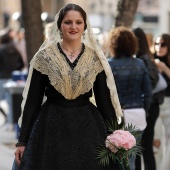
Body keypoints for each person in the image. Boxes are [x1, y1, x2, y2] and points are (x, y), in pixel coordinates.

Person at [13, 3, 123, 170]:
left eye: (78, 22)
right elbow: (33, 100)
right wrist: (22, 140)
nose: (73, 26)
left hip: (88, 129)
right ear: (60, 25)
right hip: (50, 128)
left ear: (85, 26)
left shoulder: (95, 59)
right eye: (68, 22)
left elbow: (104, 101)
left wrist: (116, 135)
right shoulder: (44, 57)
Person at [108, 26, 152, 170]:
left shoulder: (110, 64)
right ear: (133, 44)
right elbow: (148, 92)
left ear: (114, 43)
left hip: (117, 115)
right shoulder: (139, 64)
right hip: (137, 114)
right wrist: (144, 110)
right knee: (132, 157)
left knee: (116, 158)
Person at [132, 27, 161, 170]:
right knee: (138, 147)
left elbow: (152, 81)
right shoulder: (142, 57)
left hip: (149, 106)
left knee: (144, 147)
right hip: (145, 106)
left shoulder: (143, 58)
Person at [153, 33, 170, 170]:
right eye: (157, 44)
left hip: (169, 105)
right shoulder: (151, 61)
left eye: (163, 44)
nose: (159, 47)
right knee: (156, 141)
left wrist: (164, 68)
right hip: (155, 106)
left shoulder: (166, 64)